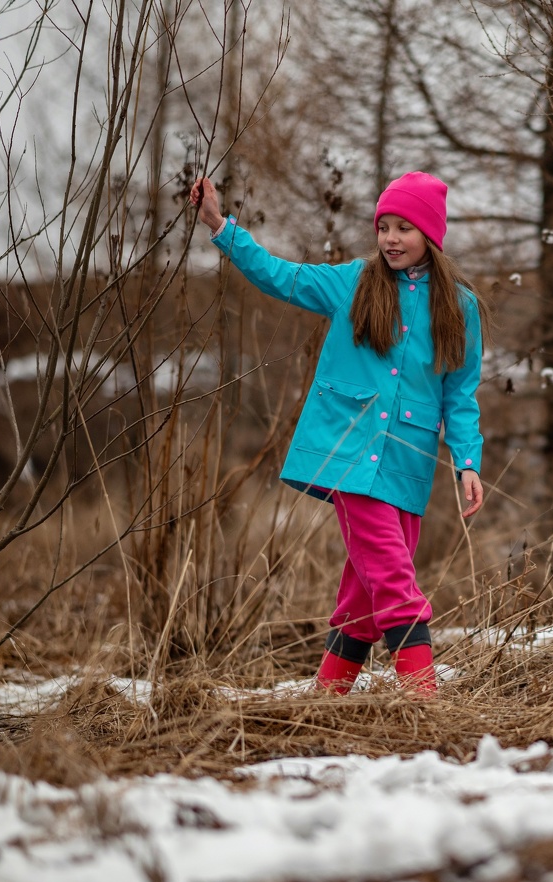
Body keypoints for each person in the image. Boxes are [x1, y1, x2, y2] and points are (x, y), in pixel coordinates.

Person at [188, 171, 487, 696]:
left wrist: (467, 461)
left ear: (431, 236)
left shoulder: (459, 307)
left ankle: (328, 701)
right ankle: (426, 700)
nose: (391, 238)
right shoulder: (352, 283)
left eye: (404, 228)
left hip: (408, 463)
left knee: (362, 593)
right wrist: (218, 224)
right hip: (348, 453)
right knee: (395, 581)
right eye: (384, 227)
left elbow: (459, 395)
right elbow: (280, 275)